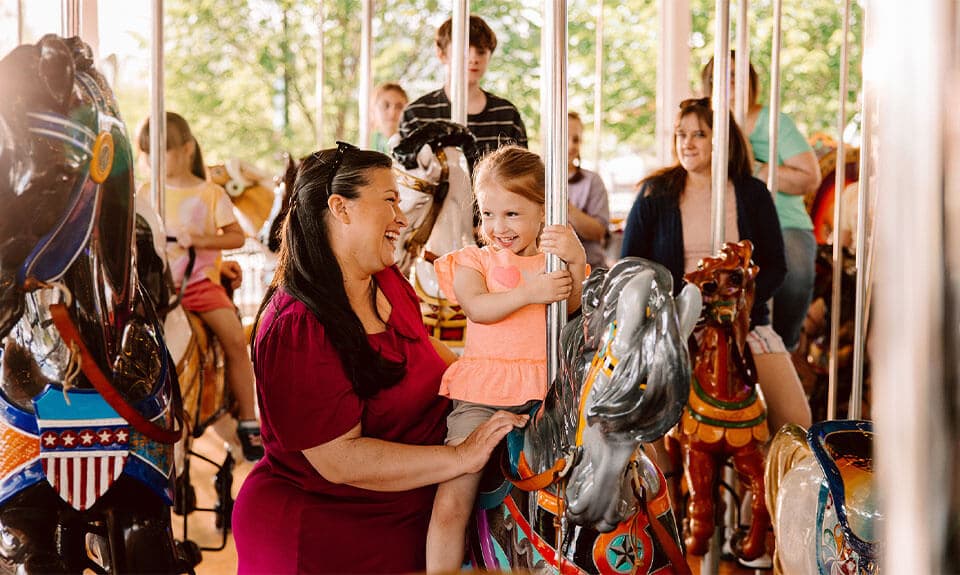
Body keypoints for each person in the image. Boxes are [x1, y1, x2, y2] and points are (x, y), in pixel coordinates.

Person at [231, 143, 528, 574]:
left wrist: (511, 382)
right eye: (390, 200)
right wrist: (462, 456)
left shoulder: (385, 281)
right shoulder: (297, 326)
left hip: (411, 518)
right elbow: (339, 459)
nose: (402, 218)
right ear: (341, 208)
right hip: (331, 538)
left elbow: (433, 355)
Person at [426, 145, 586, 572]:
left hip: (547, 396)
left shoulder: (553, 262)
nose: (498, 226)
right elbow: (478, 307)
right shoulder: (472, 260)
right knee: (452, 495)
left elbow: (574, 309)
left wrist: (577, 258)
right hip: (483, 395)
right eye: (488, 213)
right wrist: (529, 293)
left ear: (543, 211)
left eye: (512, 214)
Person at [621, 97, 811, 436]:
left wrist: (739, 305)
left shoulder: (752, 193)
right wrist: (673, 305)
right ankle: (669, 484)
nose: (687, 143)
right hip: (674, 322)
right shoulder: (656, 193)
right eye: (681, 134)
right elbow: (631, 266)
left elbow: (775, 265)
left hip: (741, 322)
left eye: (699, 135)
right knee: (644, 420)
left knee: (795, 423)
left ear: (721, 139)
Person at [137, 112, 263, 462]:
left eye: (164, 151)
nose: (155, 160)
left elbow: (236, 235)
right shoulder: (146, 193)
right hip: (157, 289)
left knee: (236, 341)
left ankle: (249, 422)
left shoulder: (210, 193)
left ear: (187, 148)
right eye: (149, 152)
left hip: (198, 286)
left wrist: (201, 239)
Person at [702, 54, 823, 352]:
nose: (729, 81)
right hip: (725, 219)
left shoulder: (774, 122)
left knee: (793, 272)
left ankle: (786, 345)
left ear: (751, 80)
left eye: (736, 74)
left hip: (785, 220)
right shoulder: (706, 123)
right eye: (722, 75)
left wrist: (754, 167)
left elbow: (809, 178)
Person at [398, 15, 527, 170]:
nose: (473, 58)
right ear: (442, 54)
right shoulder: (416, 114)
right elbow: (406, 179)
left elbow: (521, 175)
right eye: (464, 50)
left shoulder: (507, 115)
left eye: (481, 51)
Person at [566, 111, 611, 270]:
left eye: (576, 140)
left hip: (591, 269)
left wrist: (566, 208)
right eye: (565, 137)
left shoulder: (593, 181)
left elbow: (599, 232)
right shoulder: (538, 180)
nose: (571, 145)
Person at [371, 82, 408, 154]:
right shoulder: (367, 143)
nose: (392, 112)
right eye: (385, 105)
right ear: (373, 110)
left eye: (399, 106)